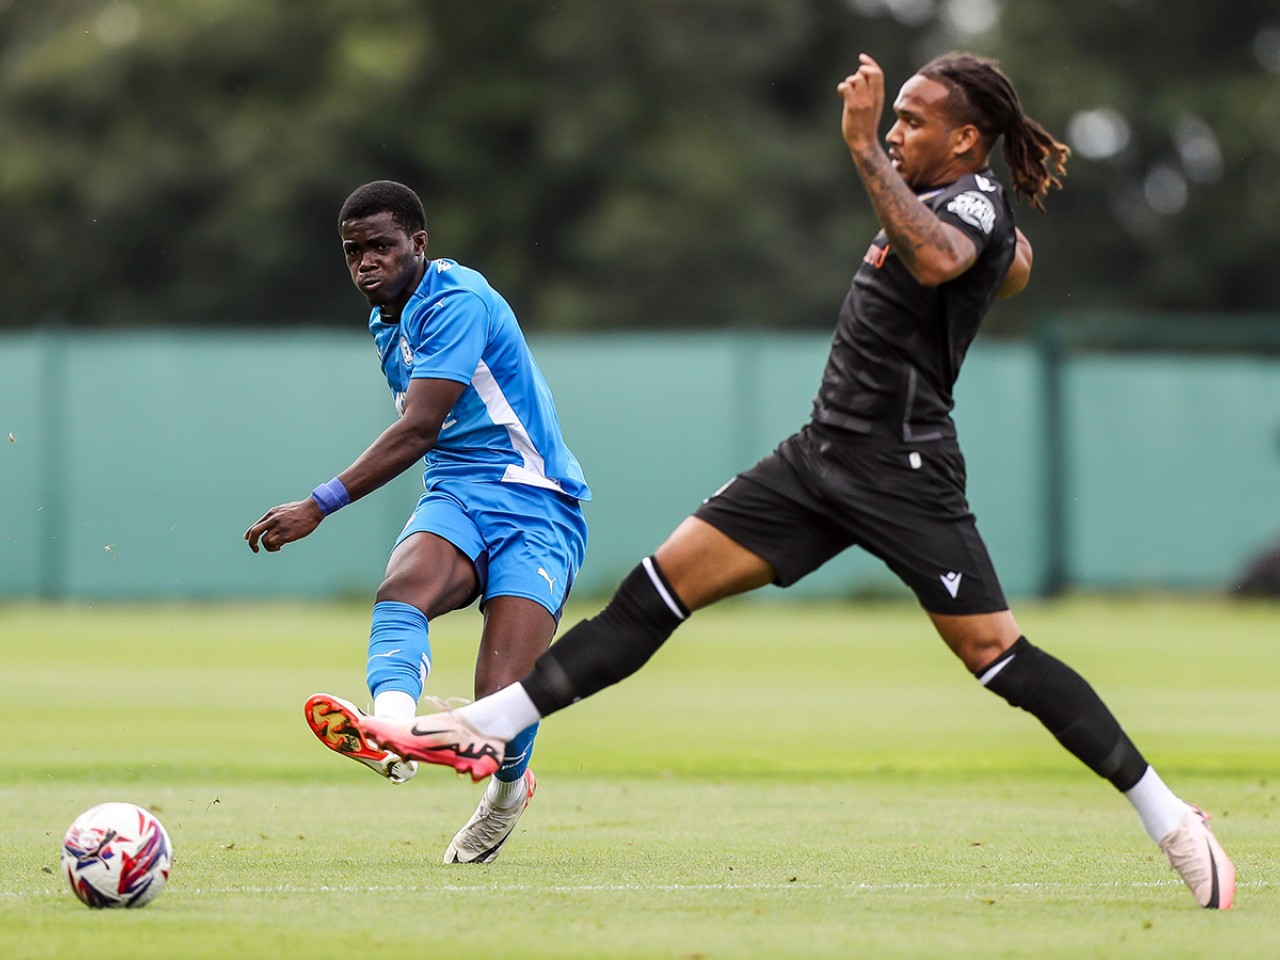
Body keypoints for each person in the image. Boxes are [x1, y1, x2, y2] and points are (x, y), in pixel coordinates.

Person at [357, 55, 1235, 909]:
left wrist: (861, 151)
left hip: (904, 472)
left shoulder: (963, 201)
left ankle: (1170, 820)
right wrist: (989, 245)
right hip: (818, 460)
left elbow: (941, 259)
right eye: (891, 119)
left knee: (998, 660)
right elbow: (1003, 264)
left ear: (969, 140)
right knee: (654, 595)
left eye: (913, 120)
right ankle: (494, 721)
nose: (893, 129)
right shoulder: (952, 203)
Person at [244, 180, 590, 864]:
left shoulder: (456, 300)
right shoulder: (385, 321)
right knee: (403, 590)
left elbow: (421, 425)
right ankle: (393, 731)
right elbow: (432, 438)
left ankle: (508, 793)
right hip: (458, 492)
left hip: (535, 501)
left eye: (381, 246)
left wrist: (319, 503)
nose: (365, 262)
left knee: (500, 700)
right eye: (353, 251)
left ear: (418, 244)